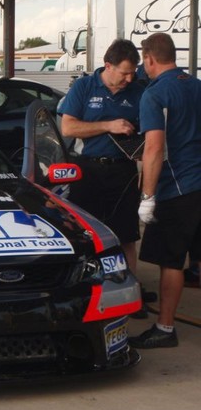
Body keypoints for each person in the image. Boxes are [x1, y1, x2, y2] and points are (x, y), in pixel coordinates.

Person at [59, 39, 145, 312]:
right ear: (108, 65)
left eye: (133, 72)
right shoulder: (85, 87)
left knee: (126, 234)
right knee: (86, 234)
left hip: (124, 170)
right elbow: (68, 128)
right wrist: (109, 125)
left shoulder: (138, 91)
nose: (129, 79)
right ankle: (85, 291)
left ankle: (130, 291)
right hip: (88, 170)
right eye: (124, 73)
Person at [128, 33, 201, 349]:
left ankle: (165, 327)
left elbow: (154, 149)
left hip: (177, 188)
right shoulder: (196, 85)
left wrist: (147, 196)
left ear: (149, 59)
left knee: (171, 261)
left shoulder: (155, 94)